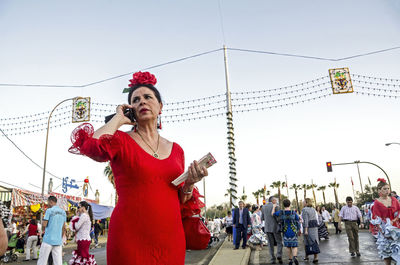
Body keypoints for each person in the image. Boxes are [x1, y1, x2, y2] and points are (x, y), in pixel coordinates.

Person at [68, 71, 208, 265]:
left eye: (148, 97)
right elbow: (90, 146)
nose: (142, 101)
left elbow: (179, 198)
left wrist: (190, 183)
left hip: (170, 237)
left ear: (160, 107)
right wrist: (117, 119)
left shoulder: (177, 150)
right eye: (136, 100)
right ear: (130, 109)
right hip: (129, 236)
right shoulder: (120, 140)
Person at [371, 178, 400, 264]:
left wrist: (394, 220)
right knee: (387, 254)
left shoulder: (394, 200)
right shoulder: (377, 203)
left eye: (388, 188)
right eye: (384, 189)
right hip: (384, 231)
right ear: (379, 190)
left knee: (397, 252)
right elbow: (377, 220)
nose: (387, 191)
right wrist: (384, 233)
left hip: (396, 229)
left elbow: (399, 212)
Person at [37, 196, 66, 265]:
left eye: (47, 202)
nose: (47, 204)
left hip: (48, 239)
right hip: (58, 241)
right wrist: (60, 238)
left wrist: (42, 231)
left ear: (51, 202)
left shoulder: (49, 210)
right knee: (58, 262)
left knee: (42, 260)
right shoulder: (63, 212)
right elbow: (63, 228)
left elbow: (44, 224)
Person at [272, 199, 300, 265]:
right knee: (294, 246)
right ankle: (295, 257)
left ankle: (290, 260)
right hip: (293, 231)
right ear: (289, 204)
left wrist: (273, 207)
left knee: (288, 246)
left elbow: (273, 214)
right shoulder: (293, 212)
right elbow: (298, 219)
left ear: (283, 205)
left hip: (285, 231)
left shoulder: (281, 212)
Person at [261, 196, 283, 264]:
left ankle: (272, 259)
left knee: (270, 244)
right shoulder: (276, 206)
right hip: (275, 227)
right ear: (273, 200)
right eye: (276, 200)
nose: (276, 201)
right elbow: (278, 218)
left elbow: (263, 218)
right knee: (279, 242)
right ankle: (279, 255)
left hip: (267, 227)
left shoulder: (263, 207)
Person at [301, 198, 319, 263]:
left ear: (306, 203)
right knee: (315, 241)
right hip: (314, 227)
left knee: (306, 242)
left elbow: (306, 220)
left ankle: (306, 256)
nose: (302, 203)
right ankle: (316, 257)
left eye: (303, 202)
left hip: (308, 227)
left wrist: (305, 230)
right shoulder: (313, 209)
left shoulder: (304, 210)